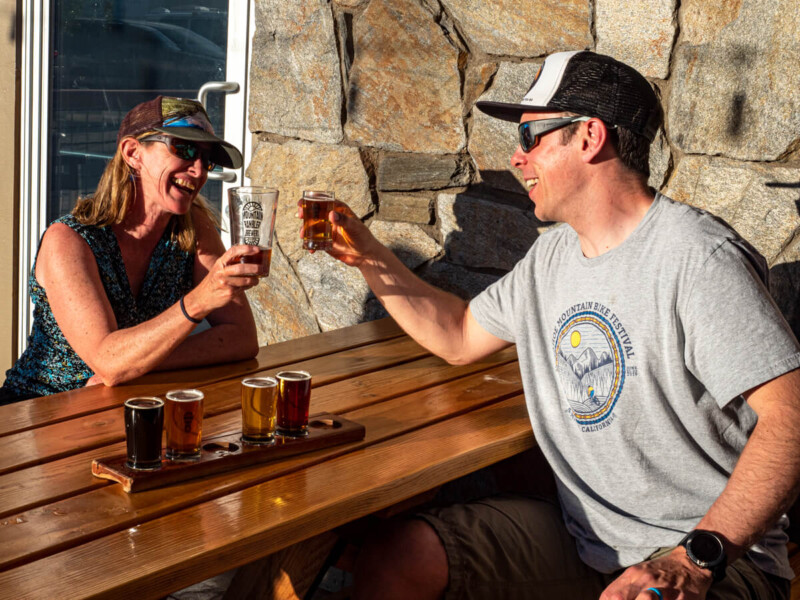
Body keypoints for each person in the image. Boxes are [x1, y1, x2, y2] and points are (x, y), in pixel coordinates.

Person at [306, 51, 800, 599]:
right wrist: (370, 256)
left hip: (710, 554)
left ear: (589, 137)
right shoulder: (553, 257)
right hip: (588, 542)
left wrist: (694, 558)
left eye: (531, 137)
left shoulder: (697, 258)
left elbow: (792, 418)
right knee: (396, 559)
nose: (517, 159)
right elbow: (461, 335)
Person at [1, 96, 261, 403]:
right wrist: (198, 301)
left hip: (123, 409)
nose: (199, 169)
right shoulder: (69, 240)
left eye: (208, 158)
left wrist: (142, 363)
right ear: (133, 153)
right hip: (35, 415)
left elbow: (242, 338)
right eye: (186, 149)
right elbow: (108, 361)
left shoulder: (191, 228)